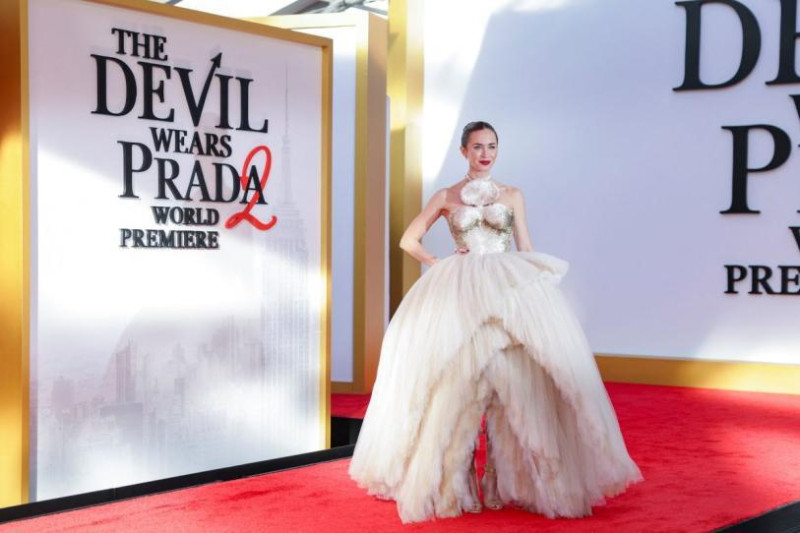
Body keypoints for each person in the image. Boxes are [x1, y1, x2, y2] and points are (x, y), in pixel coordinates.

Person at [348, 121, 643, 523]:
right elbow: (408, 239)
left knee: (514, 385)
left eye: (491, 146)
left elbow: (525, 244)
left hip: (505, 288)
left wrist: (537, 292)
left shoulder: (513, 194)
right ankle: (462, 479)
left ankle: (497, 478)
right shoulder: (446, 196)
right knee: (460, 385)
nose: (485, 154)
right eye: (477, 147)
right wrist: (436, 262)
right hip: (462, 290)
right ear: (463, 151)